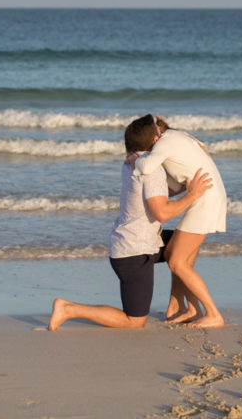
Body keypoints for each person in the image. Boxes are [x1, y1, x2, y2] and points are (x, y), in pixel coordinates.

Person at [48, 116, 213, 330]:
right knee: (134, 321)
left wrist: (186, 187)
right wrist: (191, 196)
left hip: (138, 242)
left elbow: (158, 194)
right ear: (155, 141)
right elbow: (162, 212)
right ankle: (68, 309)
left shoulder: (134, 163)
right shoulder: (151, 169)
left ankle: (179, 304)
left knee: (184, 245)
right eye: (160, 135)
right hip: (134, 253)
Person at [129, 114, 226, 328]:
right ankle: (188, 308)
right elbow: (176, 183)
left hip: (205, 200)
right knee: (175, 253)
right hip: (207, 197)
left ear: (153, 139)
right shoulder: (177, 137)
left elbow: (144, 167)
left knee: (176, 262)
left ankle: (213, 313)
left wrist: (137, 157)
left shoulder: (165, 143)